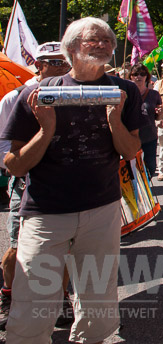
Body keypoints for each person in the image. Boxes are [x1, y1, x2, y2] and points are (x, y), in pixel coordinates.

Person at [1, 18, 142, 344]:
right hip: (45, 212)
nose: (103, 44)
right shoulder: (36, 94)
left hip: (102, 210)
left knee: (98, 303)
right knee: (33, 301)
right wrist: (46, 130)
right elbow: (15, 165)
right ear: (72, 47)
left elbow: (131, 151)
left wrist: (114, 121)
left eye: (107, 40)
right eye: (94, 39)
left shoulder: (125, 91)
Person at [0, 42, 71, 330]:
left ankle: (62, 297)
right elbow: (3, 147)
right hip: (26, 184)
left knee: (65, 248)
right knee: (17, 247)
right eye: (54, 63)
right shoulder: (15, 97)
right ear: (38, 65)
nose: (62, 68)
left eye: (65, 62)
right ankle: (8, 295)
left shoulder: (75, 95)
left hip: (65, 184)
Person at [126, 64, 163, 178]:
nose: (139, 77)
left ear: (147, 77)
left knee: (151, 167)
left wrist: (160, 113)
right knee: (131, 167)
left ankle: (146, 184)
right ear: (131, 76)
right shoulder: (125, 94)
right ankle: (136, 186)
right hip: (131, 136)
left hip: (149, 136)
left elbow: (158, 117)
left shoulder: (154, 94)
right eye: (135, 74)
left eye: (142, 74)